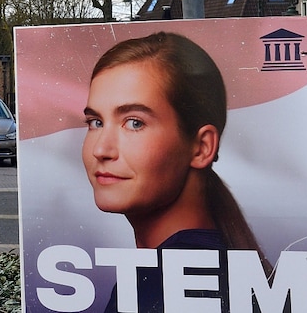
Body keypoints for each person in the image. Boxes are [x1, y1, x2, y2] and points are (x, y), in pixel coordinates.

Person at [82, 31, 269, 313]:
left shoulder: (171, 284)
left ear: (201, 147)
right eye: (96, 122)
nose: (101, 149)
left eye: (134, 123)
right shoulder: (194, 269)